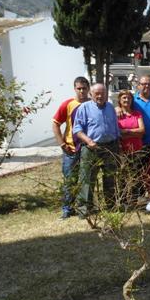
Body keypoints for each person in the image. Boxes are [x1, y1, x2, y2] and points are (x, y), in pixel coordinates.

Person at [72, 83, 121, 217]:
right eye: (97, 93)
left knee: (110, 177)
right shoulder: (84, 108)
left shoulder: (110, 107)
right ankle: (84, 209)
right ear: (91, 94)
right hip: (91, 147)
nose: (100, 96)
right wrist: (88, 141)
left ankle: (111, 205)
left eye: (103, 93)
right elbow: (77, 129)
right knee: (88, 178)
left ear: (106, 94)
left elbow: (115, 127)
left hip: (111, 146)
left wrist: (117, 142)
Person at [52, 76, 90, 220]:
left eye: (84, 88)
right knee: (69, 180)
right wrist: (62, 143)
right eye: (79, 88)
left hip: (87, 149)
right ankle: (67, 209)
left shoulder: (92, 104)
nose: (81, 91)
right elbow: (55, 123)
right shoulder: (68, 104)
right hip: (71, 150)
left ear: (88, 88)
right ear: (74, 89)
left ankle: (84, 208)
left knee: (86, 180)